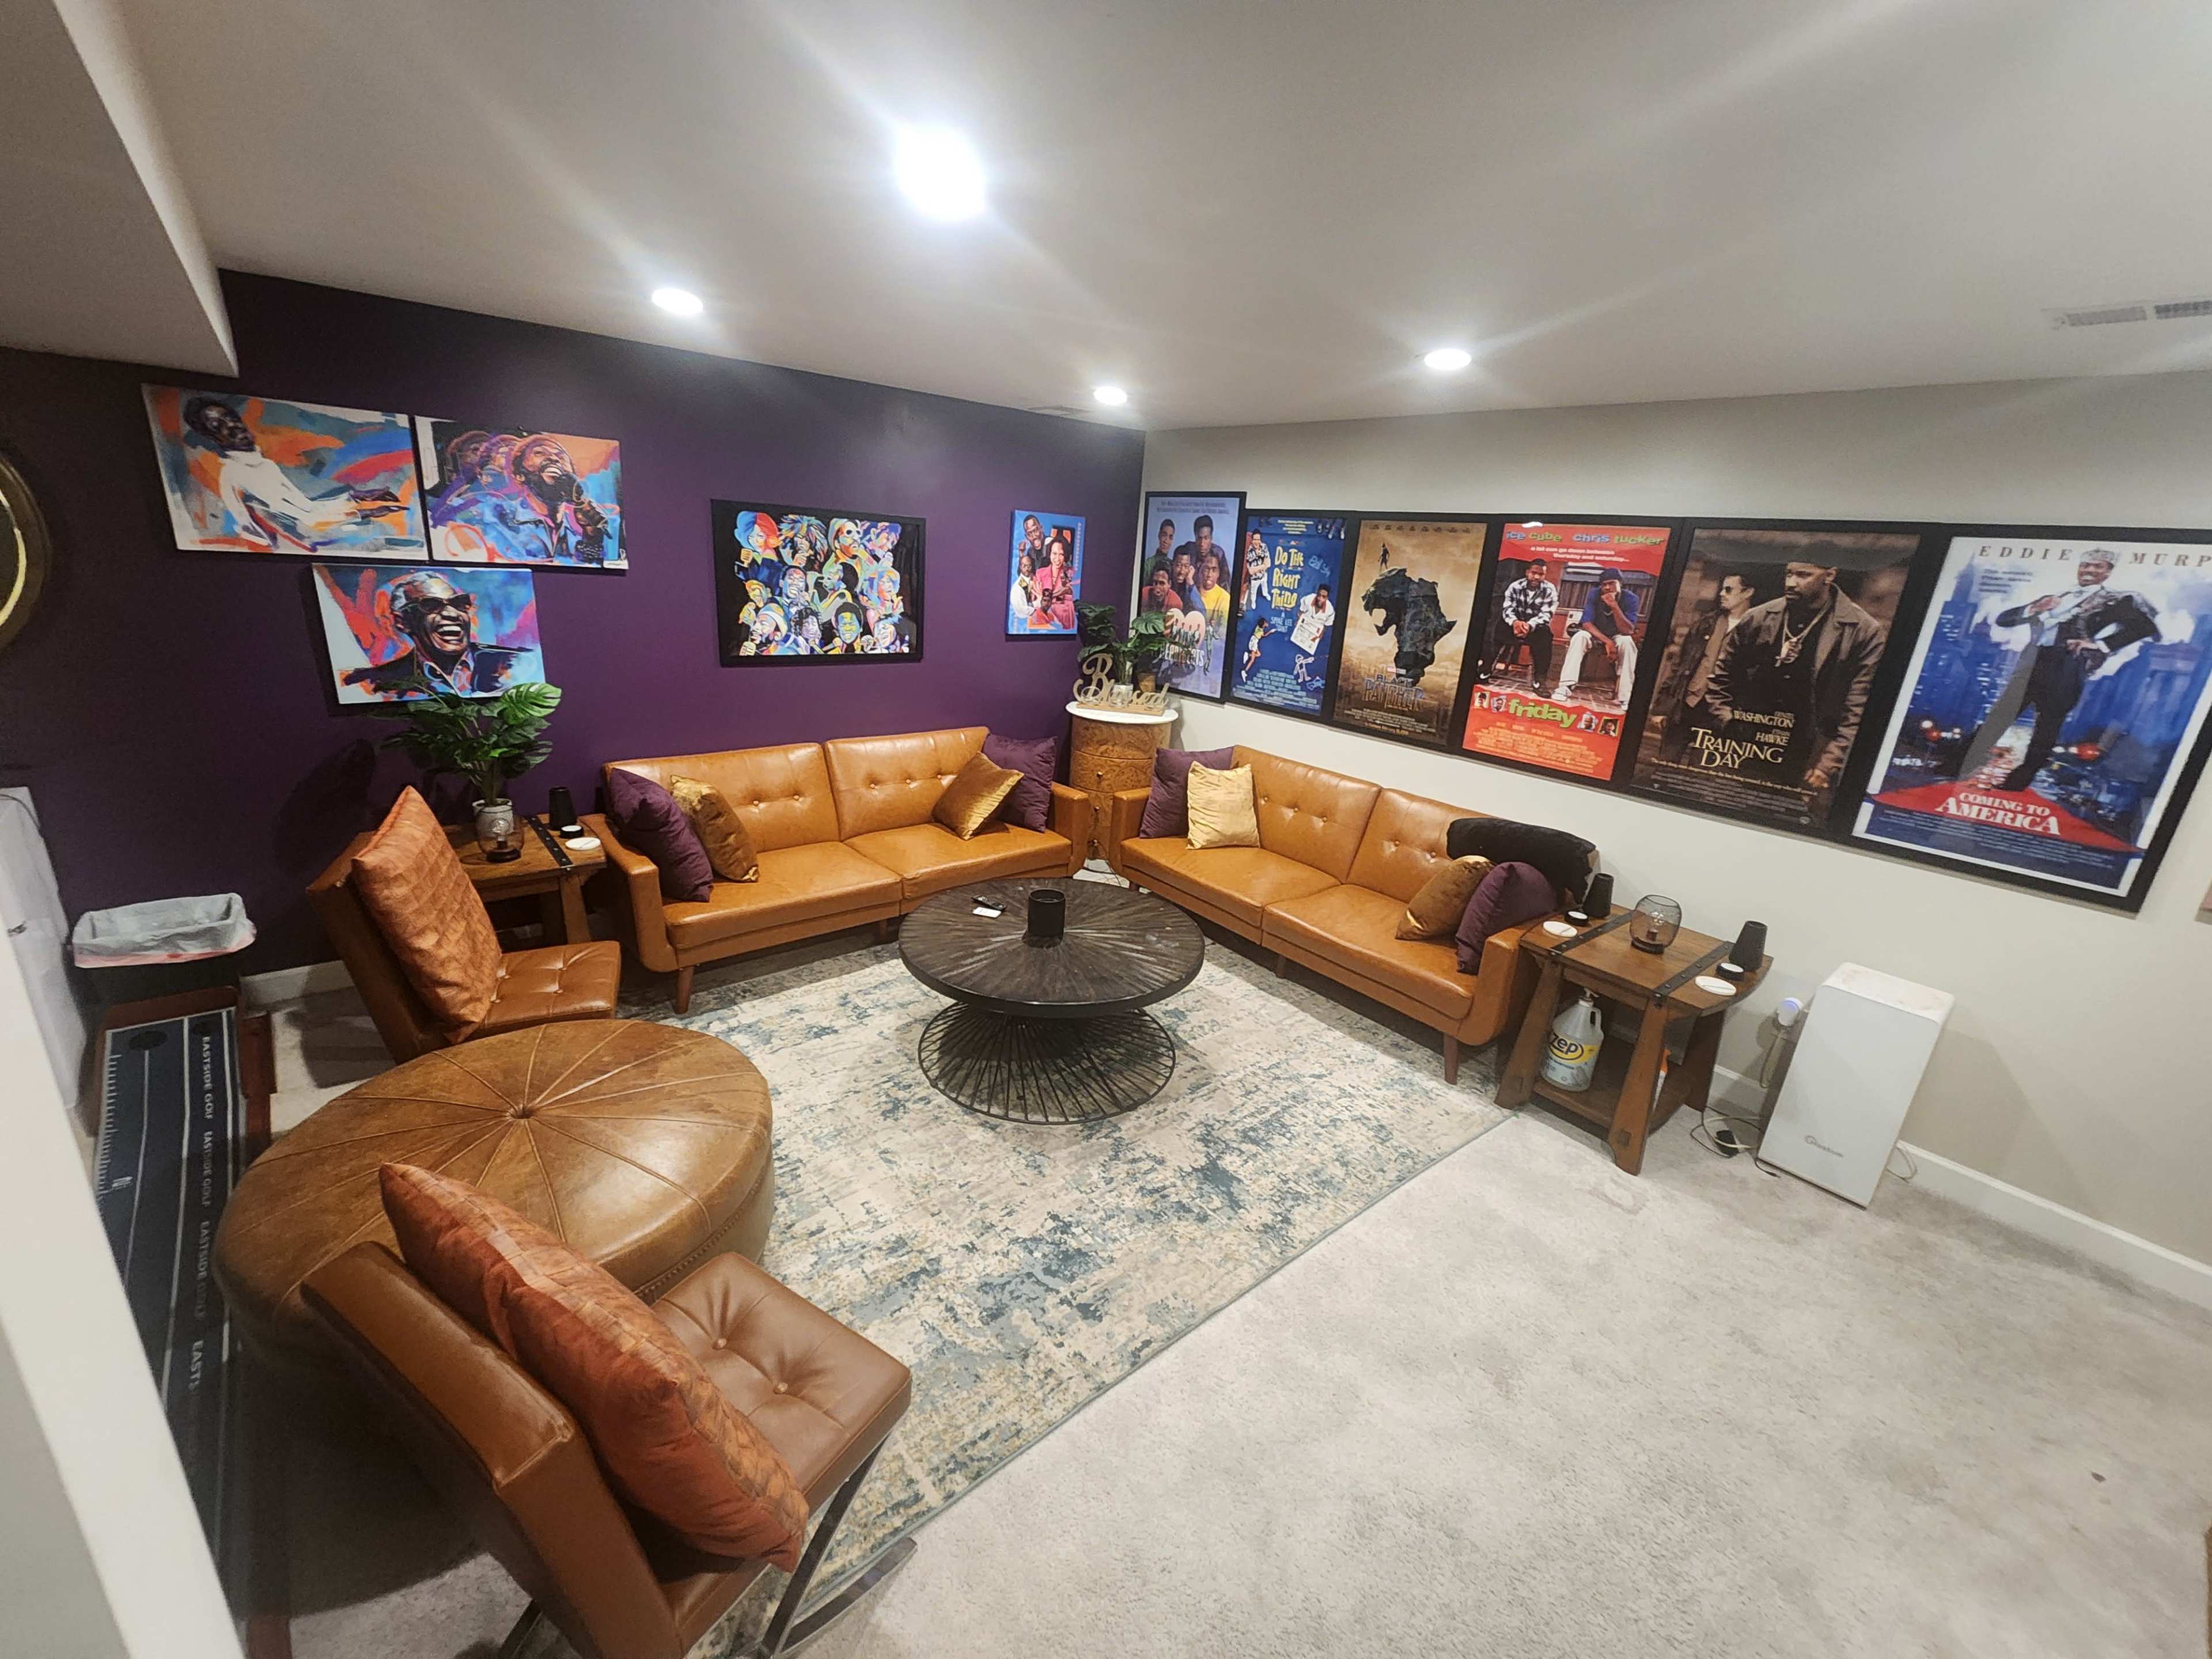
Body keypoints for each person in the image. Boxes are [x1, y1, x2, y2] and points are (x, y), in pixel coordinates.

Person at [1959, 550, 2161, 790]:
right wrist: (2035, 608)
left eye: (2098, 567)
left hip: (2067, 665)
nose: (2090, 570)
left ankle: (2020, 780)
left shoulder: (2116, 601)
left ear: (2108, 572)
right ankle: (1959, 764)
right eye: (2086, 565)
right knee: (1999, 717)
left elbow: (2145, 627)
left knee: (2047, 727)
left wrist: (2100, 645)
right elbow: (2004, 620)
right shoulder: (2056, 597)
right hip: (2033, 662)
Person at [1704, 555, 1889, 794]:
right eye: (1789, 574)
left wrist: (1828, 763)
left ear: (1829, 576)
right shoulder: (1759, 617)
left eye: (1803, 575)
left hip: (1807, 756)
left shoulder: (1863, 630)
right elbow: (1721, 675)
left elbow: (1858, 707)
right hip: (1744, 743)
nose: (1791, 583)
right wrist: (1725, 719)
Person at [184, 396, 406, 552]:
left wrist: (359, 498)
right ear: (212, 437)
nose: (232, 426)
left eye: (231, 417)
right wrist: (365, 511)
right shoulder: (233, 476)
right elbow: (303, 522)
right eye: (217, 425)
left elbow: (308, 508)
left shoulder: (266, 465)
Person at [341, 571, 527, 698]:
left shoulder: (518, 663)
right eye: (431, 605)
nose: (451, 614)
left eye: (459, 604)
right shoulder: (377, 682)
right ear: (402, 622)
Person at [1657, 570, 1758, 760]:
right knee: (1666, 761)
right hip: (1686, 705)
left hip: (1718, 713)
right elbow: (1680, 665)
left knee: (1701, 769)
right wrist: (1663, 708)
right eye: (1722, 590)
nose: (1722, 594)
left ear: (1747, 593)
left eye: (1729, 590)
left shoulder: (1757, 630)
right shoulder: (1706, 623)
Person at [1552, 568, 1640, 705]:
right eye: (1604, 584)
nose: (1607, 588)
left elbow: (1628, 630)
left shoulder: (1631, 599)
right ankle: (1565, 687)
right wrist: (1608, 643)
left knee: (1628, 643)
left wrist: (1614, 606)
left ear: (1620, 583)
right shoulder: (1594, 594)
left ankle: (1625, 696)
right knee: (1579, 637)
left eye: (1611, 583)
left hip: (1618, 635)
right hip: (1595, 633)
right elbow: (1587, 623)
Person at [1493, 558, 1559, 689]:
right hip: (1514, 625)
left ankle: (1540, 681)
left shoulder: (1550, 589)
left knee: (1546, 636)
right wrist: (1515, 622)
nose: (1536, 577)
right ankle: (1485, 669)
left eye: (1541, 575)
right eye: (1533, 573)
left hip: (1535, 629)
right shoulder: (1515, 586)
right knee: (1497, 629)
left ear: (1544, 576)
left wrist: (1529, 626)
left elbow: (1547, 614)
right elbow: (1507, 608)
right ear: (1527, 572)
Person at [1288, 582, 1335, 688]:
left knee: (1309, 658)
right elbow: (1300, 612)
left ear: (1327, 598)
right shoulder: (1308, 599)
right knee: (1295, 655)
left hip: (1314, 637)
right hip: (1301, 632)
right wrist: (1299, 621)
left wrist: (1320, 635)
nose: (1320, 599)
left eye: (1323, 597)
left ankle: (1304, 681)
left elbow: (1327, 626)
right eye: (1319, 595)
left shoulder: (1330, 610)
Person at [1239, 531, 1271, 612]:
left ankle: (1266, 594)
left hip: (1264, 576)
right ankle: (1253, 603)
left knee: (1265, 588)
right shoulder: (1249, 552)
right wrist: (1263, 566)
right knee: (1253, 594)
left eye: (1258, 540)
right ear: (1252, 541)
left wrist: (1258, 568)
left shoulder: (1264, 547)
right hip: (1255, 580)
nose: (1257, 542)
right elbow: (1251, 571)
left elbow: (1269, 564)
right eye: (1255, 540)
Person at [1009, 550, 1039, 624]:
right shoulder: (1018, 586)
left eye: (1029, 566)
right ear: (1020, 567)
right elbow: (1022, 612)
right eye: (1024, 566)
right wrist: (1036, 605)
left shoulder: (1033, 580)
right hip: (1023, 621)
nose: (1027, 569)